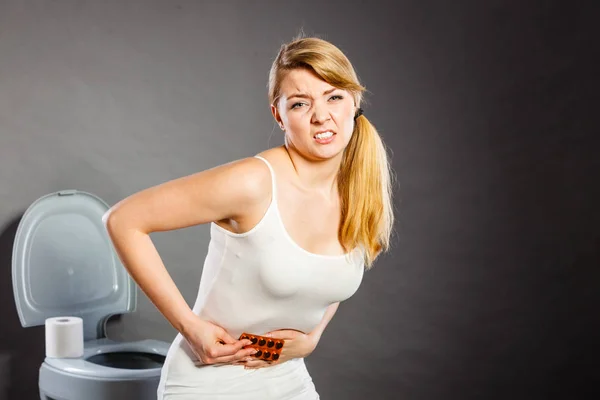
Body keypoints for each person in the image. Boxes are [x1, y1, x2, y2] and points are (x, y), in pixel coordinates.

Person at [103, 35, 395, 399]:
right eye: (301, 104)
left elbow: (329, 277)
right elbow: (123, 219)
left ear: (354, 101)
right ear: (279, 114)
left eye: (333, 96)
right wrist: (191, 328)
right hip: (209, 384)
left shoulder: (359, 189)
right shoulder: (254, 182)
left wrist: (312, 338)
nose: (322, 116)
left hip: (288, 379)